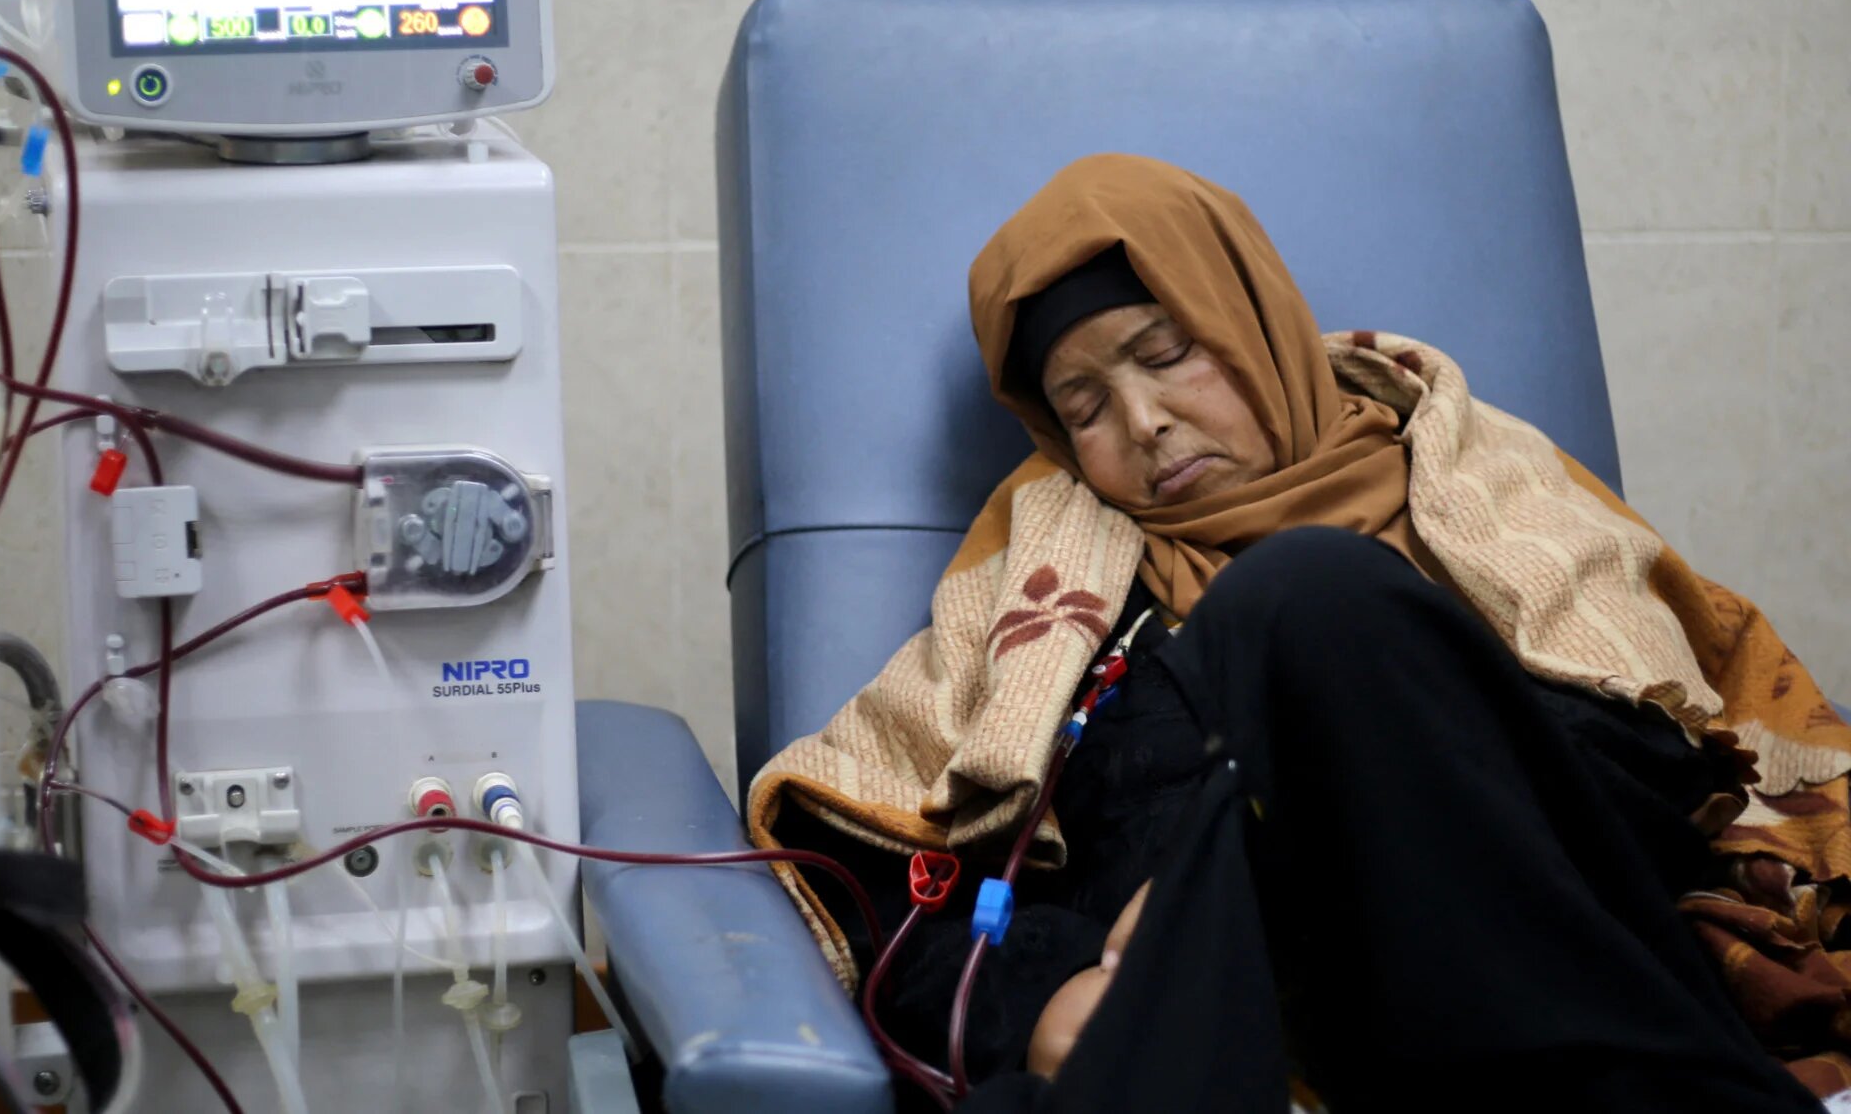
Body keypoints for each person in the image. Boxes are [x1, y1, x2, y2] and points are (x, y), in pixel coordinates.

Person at [746, 154, 1851, 1113]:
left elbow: (1652, 769)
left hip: (1515, 1000)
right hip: (1202, 1036)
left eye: (1169, 350)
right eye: (1082, 406)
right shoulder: (1036, 598)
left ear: (1250, 317)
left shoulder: (1480, 489)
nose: (1142, 421)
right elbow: (887, 881)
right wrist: (1043, 990)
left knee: (1301, 596)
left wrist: (1264, 857)